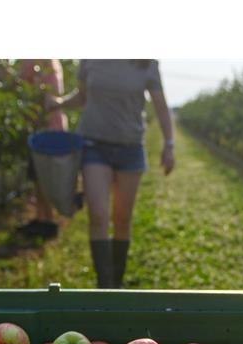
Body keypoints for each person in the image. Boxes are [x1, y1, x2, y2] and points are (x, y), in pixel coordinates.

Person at [49, 59, 175, 288]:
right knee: (98, 214)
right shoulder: (91, 59)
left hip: (130, 148)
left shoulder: (145, 62)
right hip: (94, 145)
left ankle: (116, 283)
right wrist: (58, 102)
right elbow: (82, 96)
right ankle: (104, 285)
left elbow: (160, 106)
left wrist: (169, 144)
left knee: (122, 219)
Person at [17, 59, 68, 239]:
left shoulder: (39, 60)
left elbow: (22, 85)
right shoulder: (50, 61)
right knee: (39, 178)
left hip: (46, 127)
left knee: (42, 177)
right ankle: (42, 218)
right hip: (50, 126)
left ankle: (47, 221)